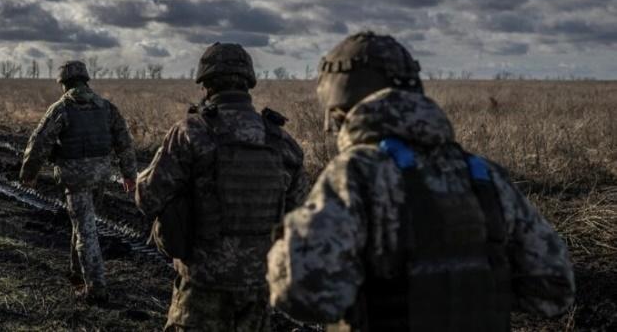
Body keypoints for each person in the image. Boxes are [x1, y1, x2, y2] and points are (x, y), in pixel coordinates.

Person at [267, 31, 575, 331]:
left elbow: (301, 291)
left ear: (338, 108)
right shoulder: (483, 174)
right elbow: (553, 289)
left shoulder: (356, 174)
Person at [136, 43, 309, 332]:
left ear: (206, 84)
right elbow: (302, 216)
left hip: (203, 283)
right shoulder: (281, 141)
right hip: (258, 285)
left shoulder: (191, 132)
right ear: (248, 82)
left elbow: (148, 198)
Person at [19, 60, 137, 304]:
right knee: (83, 223)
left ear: (64, 84)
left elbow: (39, 143)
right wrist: (129, 174)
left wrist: (28, 174)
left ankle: (96, 288)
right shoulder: (106, 108)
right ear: (85, 80)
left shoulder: (61, 108)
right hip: (101, 177)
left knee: (86, 231)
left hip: (75, 180)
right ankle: (76, 274)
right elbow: (124, 142)